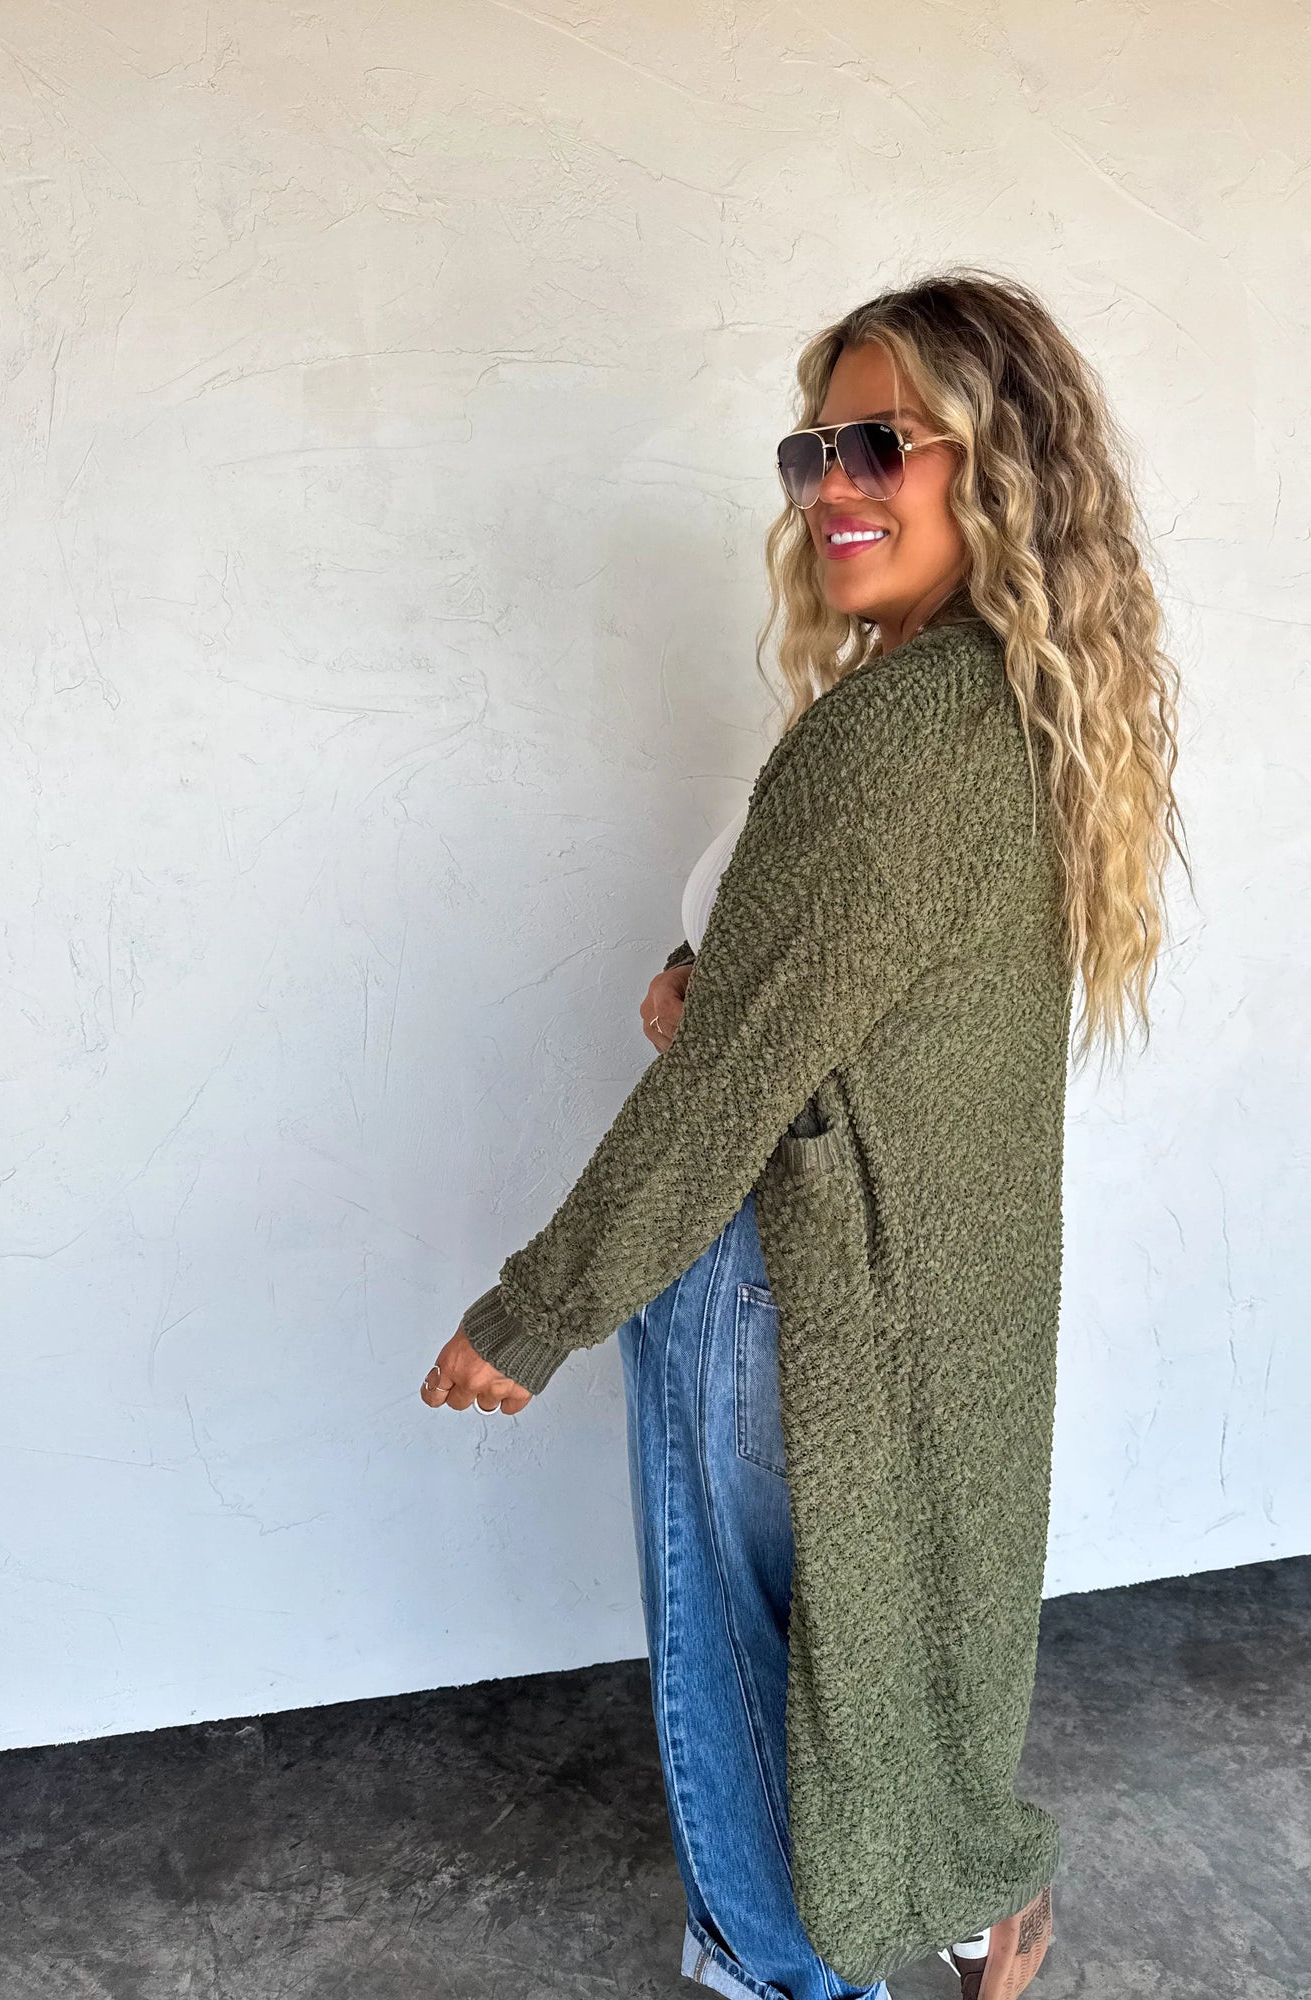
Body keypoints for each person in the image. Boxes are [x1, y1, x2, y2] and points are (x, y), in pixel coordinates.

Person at [422, 269, 1188, 2000]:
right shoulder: (988, 700)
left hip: (780, 1278)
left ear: (995, 460)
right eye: (811, 450)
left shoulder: (896, 732)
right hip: (894, 1272)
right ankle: (973, 1900)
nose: (831, 484)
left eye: (877, 446)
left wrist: (537, 1308)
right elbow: (855, 973)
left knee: (744, 1677)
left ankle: (785, 1975)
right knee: (874, 1657)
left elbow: (733, 1087)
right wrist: (712, 970)